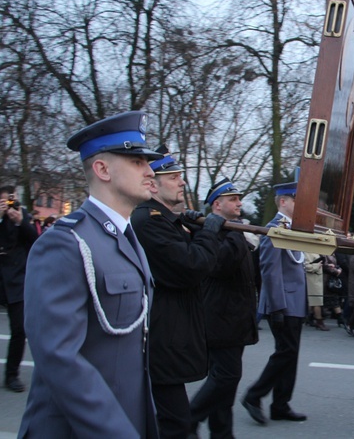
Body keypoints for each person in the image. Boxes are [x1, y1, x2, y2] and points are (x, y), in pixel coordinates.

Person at [19, 111, 160, 437]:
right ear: (102, 169)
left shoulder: (125, 238)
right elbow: (58, 357)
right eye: (137, 161)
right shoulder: (66, 243)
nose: (150, 170)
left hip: (126, 414)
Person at [131, 145, 223, 437]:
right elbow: (192, 266)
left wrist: (194, 229)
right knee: (176, 425)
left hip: (169, 336)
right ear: (153, 183)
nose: (182, 182)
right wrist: (207, 231)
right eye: (174, 177)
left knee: (172, 422)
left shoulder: (163, 219)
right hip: (162, 338)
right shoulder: (148, 220)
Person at [189, 177, 260, 438]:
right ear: (217, 205)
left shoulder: (230, 230)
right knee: (226, 377)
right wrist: (239, 235)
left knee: (226, 382)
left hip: (233, 318)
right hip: (221, 317)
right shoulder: (213, 231)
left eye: (238, 198)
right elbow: (218, 265)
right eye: (233, 199)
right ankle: (189, 419)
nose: (239, 202)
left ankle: (222, 433)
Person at [242, 180, 307, 424]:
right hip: (283, 303)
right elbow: (269, 269)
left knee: (291, 354)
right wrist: (277, 305)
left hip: (295, 302)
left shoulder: (293, 228)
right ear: (283, 201)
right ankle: (253, 395)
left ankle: (281, 404)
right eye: (296, 200)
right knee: (285, 352)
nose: (301, 205)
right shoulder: (274, 229)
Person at [0, 186, 38, 392]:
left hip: (15, 279)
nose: (11, 205)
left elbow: (34, 240)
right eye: (6, 202)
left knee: (19, 330)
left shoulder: (21, 214)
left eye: (13, 200)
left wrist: (20, 221)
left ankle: (12, 375)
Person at [304, 252, 329, 331]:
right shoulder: (307, 252)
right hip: (313, 280)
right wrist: (317, 266)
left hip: (317, 279)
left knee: (316, 301)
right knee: (316, 301)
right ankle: (319, 321)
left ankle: (311, 318)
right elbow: (306, 266)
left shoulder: (315, 252)